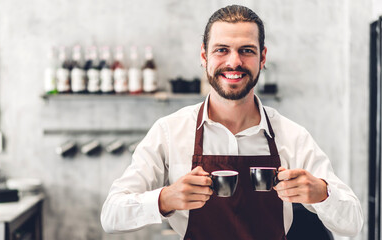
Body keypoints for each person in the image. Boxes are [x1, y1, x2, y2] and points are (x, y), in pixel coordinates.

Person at [101, 5, 363, 239]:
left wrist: (322, 193)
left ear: (262, 57)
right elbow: (111, 215)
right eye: (221, 50)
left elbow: (353, 222)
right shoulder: (169, 132)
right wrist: (164, 199)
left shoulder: (292, 136)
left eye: (246, 50)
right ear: (204, 56)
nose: (234, 62)